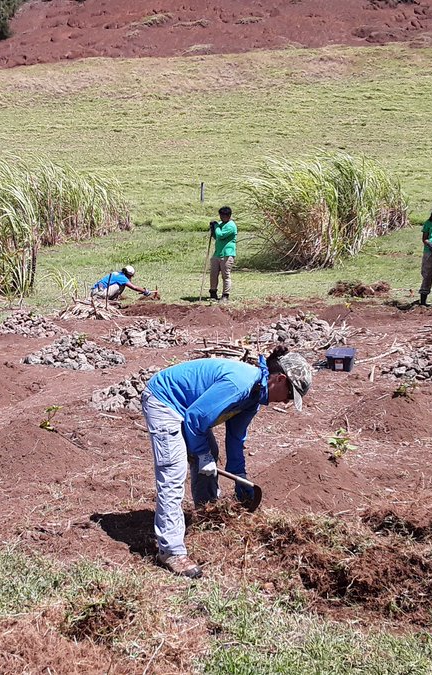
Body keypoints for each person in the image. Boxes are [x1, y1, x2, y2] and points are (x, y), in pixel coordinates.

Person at [140, 347, 313, 578]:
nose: (286, 402)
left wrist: (241, 480)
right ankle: (171, 551)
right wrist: (201, 455)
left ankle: (208, 513)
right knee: (174, 469)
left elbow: (235, 438)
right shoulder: (239, 384)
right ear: (280, 379)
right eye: (290, 395)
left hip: (190, 409)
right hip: (165, 400)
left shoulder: (254, 396)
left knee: (209, 452)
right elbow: (195, 418)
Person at [209, 206, 237, 302]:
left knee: (225, 275)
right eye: (221, 215)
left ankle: (225, 295)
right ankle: (213, 293)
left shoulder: (231, 226)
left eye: (224, 215)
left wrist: (216, 226)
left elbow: (220, 235)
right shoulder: (221, 224)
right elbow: (217, 236)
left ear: (229, 216)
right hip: (217, 253)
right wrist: (213, 229)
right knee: (213, 274)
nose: (221, 217)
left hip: (227, 254)